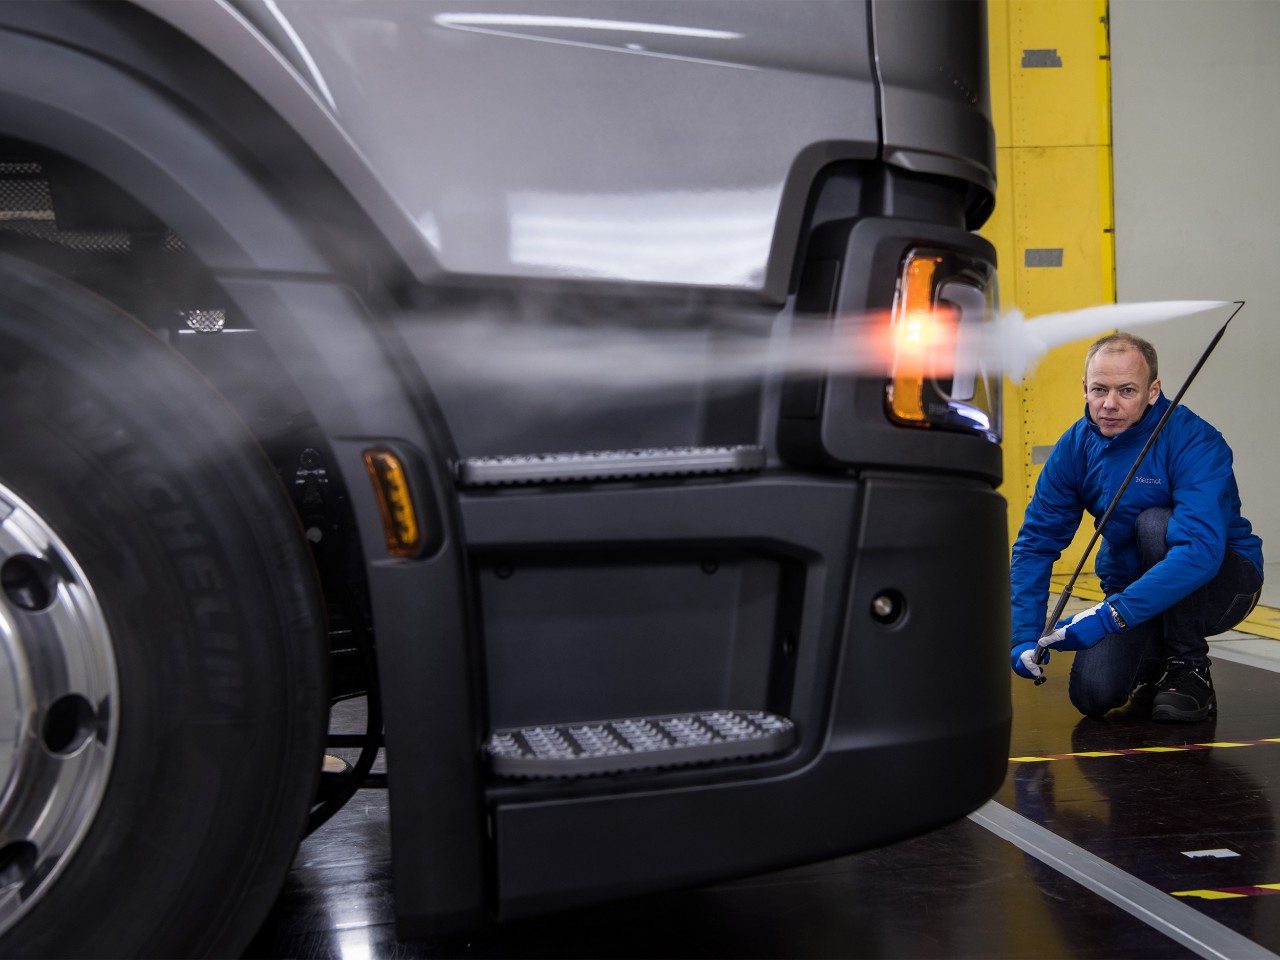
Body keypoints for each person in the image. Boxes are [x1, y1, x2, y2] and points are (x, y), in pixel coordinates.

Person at [1009, 331, 1263, 721]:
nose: (1109, 404)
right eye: (1099, 390)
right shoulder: (1075, 447)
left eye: (1126, 390)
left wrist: (1110, 616)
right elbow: (1037, 543)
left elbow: (1199, 552)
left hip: (1223, 587)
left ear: (1152, 391)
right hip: (1132, 588)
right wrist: (1025, 634)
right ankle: (1155, 661)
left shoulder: (1196, 440)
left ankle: (1189, 666)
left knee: (1155, 525)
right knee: (1092, 695)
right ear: (1085, 388)